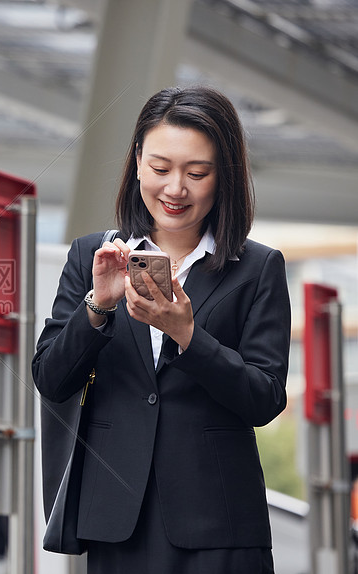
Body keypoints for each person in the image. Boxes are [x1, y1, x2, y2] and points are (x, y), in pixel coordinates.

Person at [32, 86, 290, 573]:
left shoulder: (256, 268)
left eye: (197, 173)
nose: (175, 189)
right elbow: (50, 378)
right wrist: (98, 306)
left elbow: (265, 398)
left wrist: (189, 337)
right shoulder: (93, 256)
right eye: (160, 168)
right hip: (116, 517)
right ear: (136, 161)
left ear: (224, 176)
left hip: (219, 523)